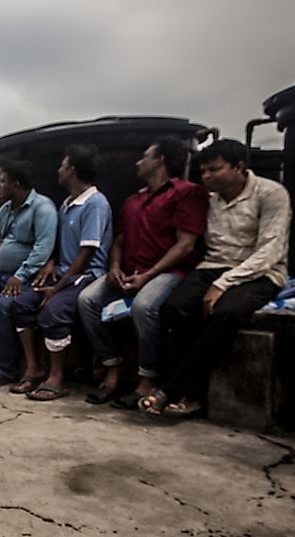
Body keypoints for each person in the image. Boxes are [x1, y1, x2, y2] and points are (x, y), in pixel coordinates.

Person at [141, 139, 291, 418]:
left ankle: (173, 389)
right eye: (203, 171)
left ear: (239, 167)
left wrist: (223, 284)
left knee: (225, 313)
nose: (207, 176)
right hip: (213, 265)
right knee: (173, 308)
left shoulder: (271, 194)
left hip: (259, 270)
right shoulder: (207, 199)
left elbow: (270, 250)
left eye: (215, 169)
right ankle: (186, 393)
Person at [78, 138, 209, 408]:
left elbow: (186, 244)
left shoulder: (186, 192)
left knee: (144, 305)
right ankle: (112, 368)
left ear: (160, 160)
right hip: (129, 271)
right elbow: (119, 240)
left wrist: (147, 276)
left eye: (144, 157)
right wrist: (114, 268)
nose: (138, 162)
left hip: (169, 272)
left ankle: (147, 378)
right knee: (87, 299)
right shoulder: (132, 201)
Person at [10, 145, 113, 400]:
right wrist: (51, 263)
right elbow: (59, 244)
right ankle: (34, 368)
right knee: (21, 303)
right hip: (64, 273)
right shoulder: (66, 204)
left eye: (63, 166)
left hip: (87, 275)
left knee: (53, 310)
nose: (59, 170)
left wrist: (57, 288)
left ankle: (57, 377)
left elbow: (87, 253)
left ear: (73, 171)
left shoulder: (95, 203)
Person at [0, 162, 58, 387]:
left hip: (26, 278)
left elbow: (43, 248)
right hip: (0, 274)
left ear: (16, 184)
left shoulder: (42, 208)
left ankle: (5, 369)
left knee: (5, 305)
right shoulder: (7, 210)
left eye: (3, 181)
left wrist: (20, 275)